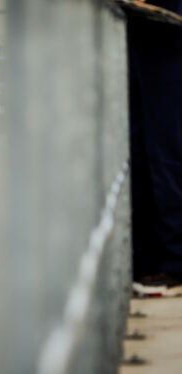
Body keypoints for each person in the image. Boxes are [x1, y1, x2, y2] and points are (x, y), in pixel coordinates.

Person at [128, 0, 182, 296]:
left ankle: (176, 264)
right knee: (140, 148)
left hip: (166, 21)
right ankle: (147, 261)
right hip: (139, 22)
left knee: (165, 148)